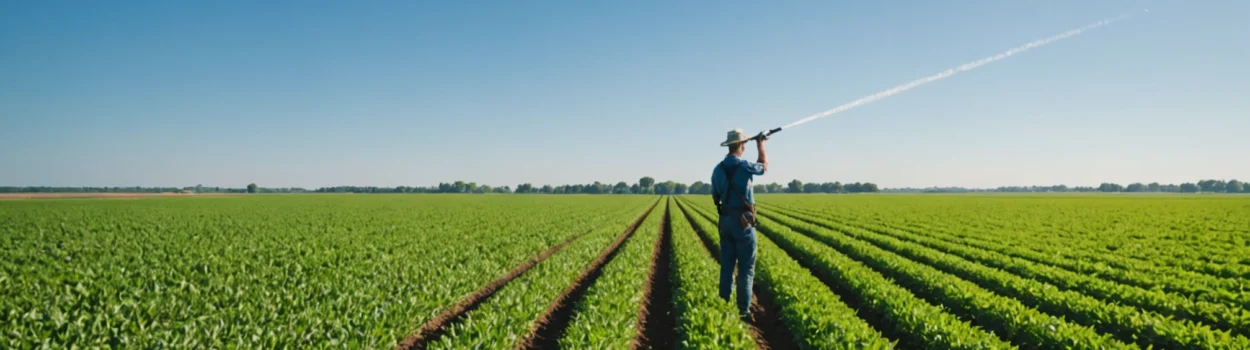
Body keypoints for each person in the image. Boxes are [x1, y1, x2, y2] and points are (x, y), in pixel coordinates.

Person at [710, 128, 768, 318]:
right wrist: (761, 145)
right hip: (743, 223)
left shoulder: (717, 169)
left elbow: (715, 195)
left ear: (729, 146)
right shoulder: (744, 166)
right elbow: (763, 167)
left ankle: (723, 307)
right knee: (746, 269)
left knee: (727, 266)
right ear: (742, 145)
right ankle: (743, 310)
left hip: (725, 221)